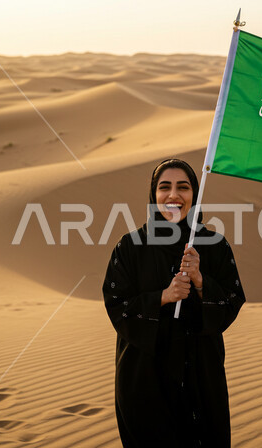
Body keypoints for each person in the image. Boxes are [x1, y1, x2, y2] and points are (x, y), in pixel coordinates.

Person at [102, 158, 246, 448]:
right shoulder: (131, 246)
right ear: (153, 195)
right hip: (144, 381)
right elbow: (117, 304)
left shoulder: (215, 245)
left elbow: (233, 301)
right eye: (164, 187)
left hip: (201, 379)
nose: (173, 195)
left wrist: (201, 281)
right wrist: (163, 297)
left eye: (183, 187)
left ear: (195, 193)